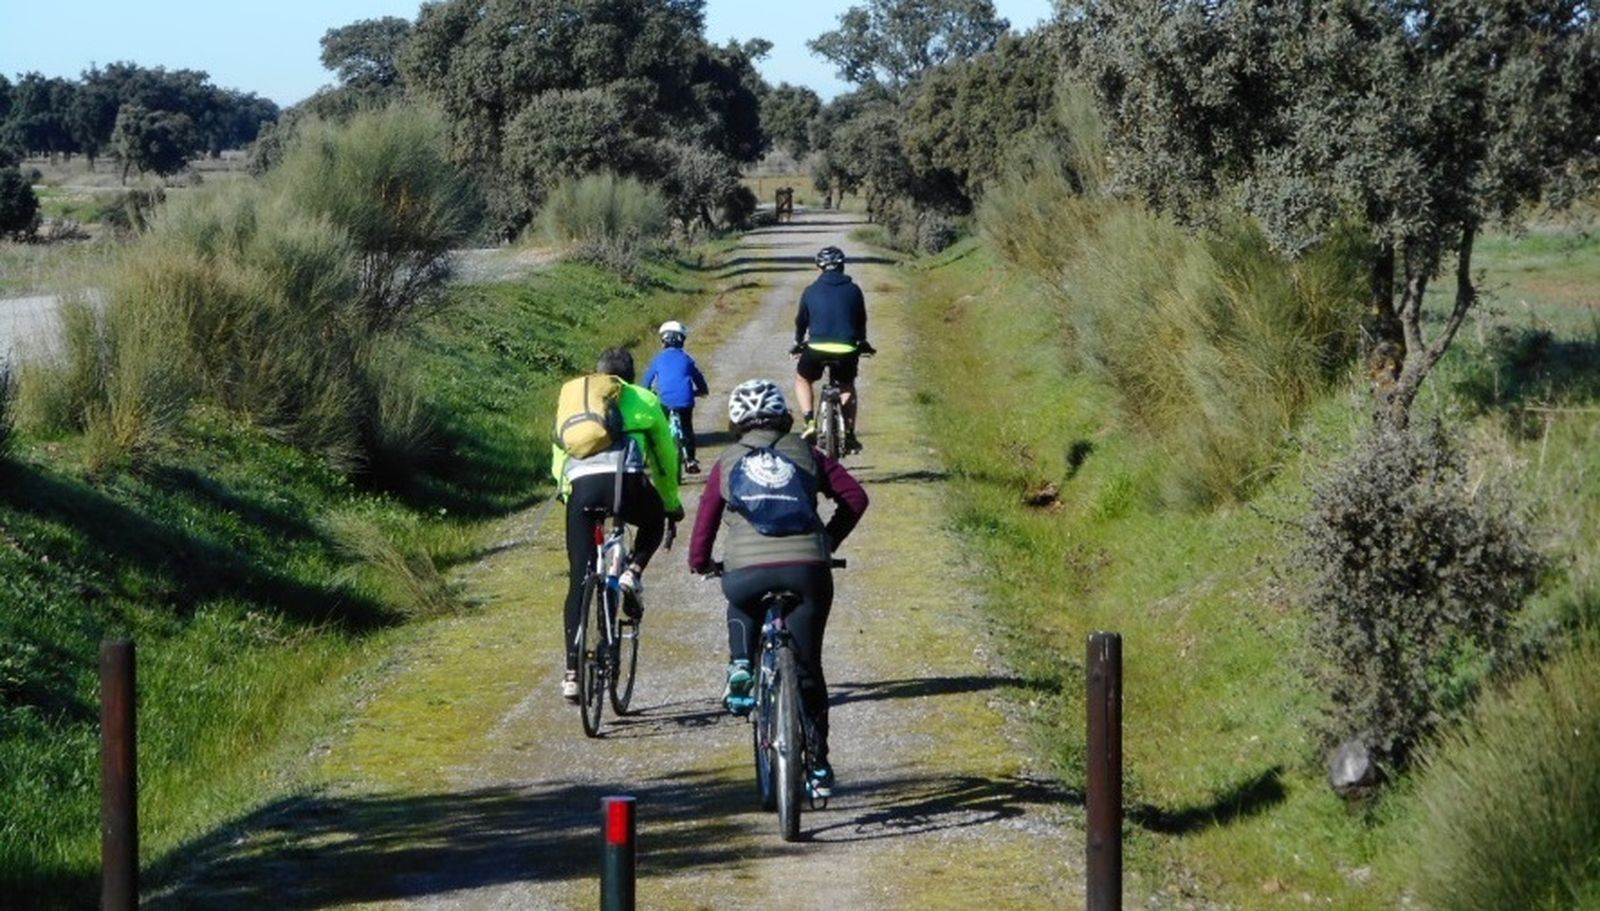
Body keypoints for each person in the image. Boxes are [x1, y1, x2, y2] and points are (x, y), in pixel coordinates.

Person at [688, 379, 869, 797]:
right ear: (784, 415)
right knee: (809, 668)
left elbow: (705, 525)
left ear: (736, 422)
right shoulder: (808, 453)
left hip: (746, 571)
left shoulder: (727, 461)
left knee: (739, 596)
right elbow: (855, 498)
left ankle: (740, 665)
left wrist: (701, 563)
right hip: (807, 568)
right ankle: (819, 765)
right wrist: (826, 540)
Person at [552, 348, 684, 702]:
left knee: (579, 577)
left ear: (598, 375)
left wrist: (567, 494)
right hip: (627, 485)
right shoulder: (643, 397)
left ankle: (571, 673)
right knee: (653, 522)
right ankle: (631, 572)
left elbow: (559, 453)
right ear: (628, 375)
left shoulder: (577, 400)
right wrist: (671, 505)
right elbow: (664, 457)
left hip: (582, 489)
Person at [792, 245, 875, 454]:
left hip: (816, 347)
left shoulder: (810, 290)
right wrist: (862, 341)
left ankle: (810, 422)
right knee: (847, 385)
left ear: (819, 268)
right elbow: (860, 319)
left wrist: (798, 341)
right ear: (842, 267)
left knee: (803, 379)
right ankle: (848, 432)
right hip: (847, 348)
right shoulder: (854, 290)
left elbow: (801, 320)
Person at [642, 319, 710, 473]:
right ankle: (690, 459)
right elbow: (698, 379)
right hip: (685, 399)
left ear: (663, 341)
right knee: (687, 428)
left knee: (661, 428)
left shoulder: (658, 359)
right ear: (682, 340)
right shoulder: (686, 359)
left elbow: (647, 381)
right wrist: (702, 391)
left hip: (664, 400)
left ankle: (659, 457)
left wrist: (647, 392)